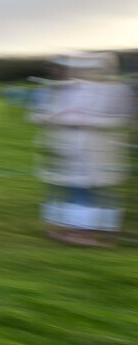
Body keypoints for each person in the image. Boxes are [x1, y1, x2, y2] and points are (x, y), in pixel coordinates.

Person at [30, 52, 134, 247]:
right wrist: (56, 119)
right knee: (76, 191)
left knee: (101, 192)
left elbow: (122, 118)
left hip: (103, 151)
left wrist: (87, 121)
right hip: (69, 150)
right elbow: (42, 114)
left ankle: (100, 229)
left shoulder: (117, 89)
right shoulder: (65, 89)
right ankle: (77, 230)